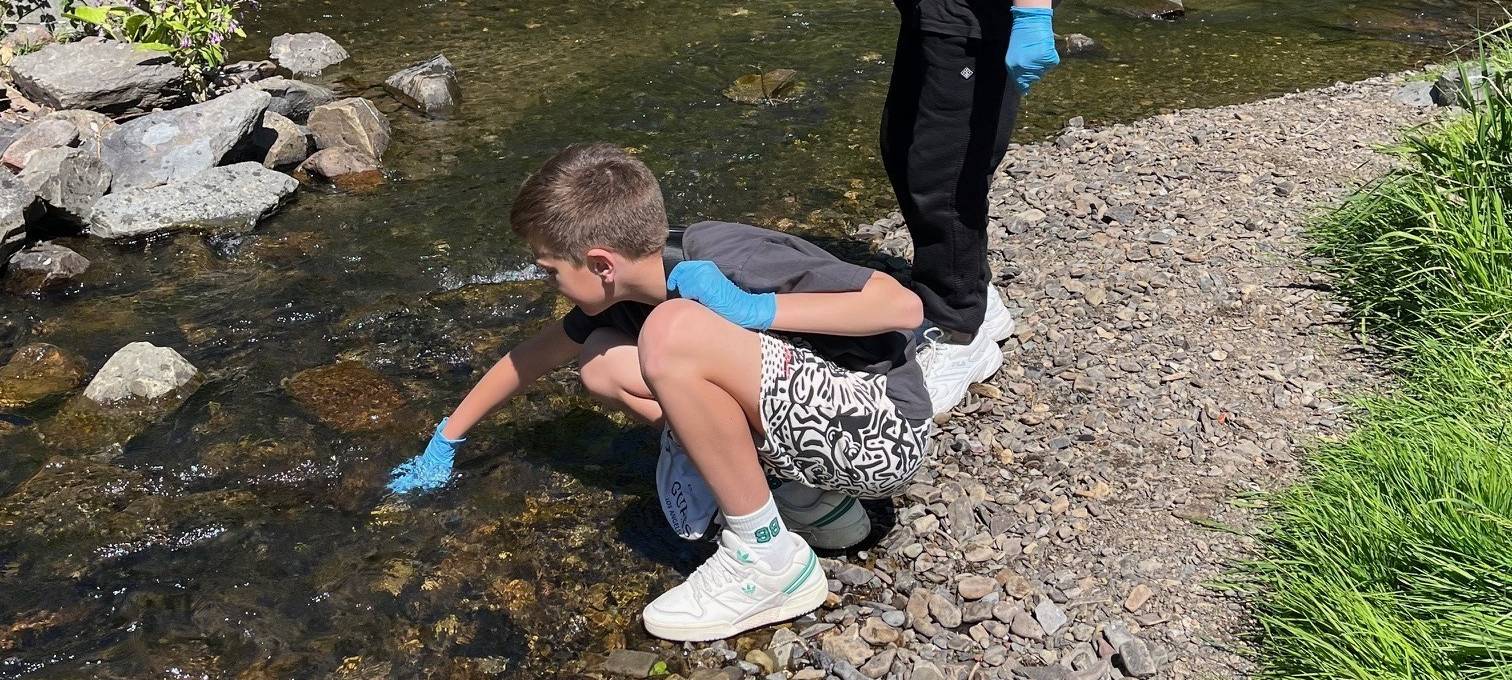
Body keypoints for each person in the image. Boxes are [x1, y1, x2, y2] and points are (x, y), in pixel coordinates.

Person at [387, 143, 933, 642]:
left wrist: (756, 310)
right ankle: (797, 499)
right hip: (815, 433)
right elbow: (529, 359)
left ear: (600, 264)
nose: (544, 281)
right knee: (600, 361)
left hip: (883, 433)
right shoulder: (623, 291)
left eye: (548, 269)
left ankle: (767, 561)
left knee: (671, 331)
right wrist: (446, 439)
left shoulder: (727, 256)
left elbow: (902, 306)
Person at [884, 0, 1061, 415]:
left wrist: (1033, 13)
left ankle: (958, 330)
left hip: (975, 15)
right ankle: (976, 293)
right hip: (931, 10)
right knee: (903, 149)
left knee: (944, 176)